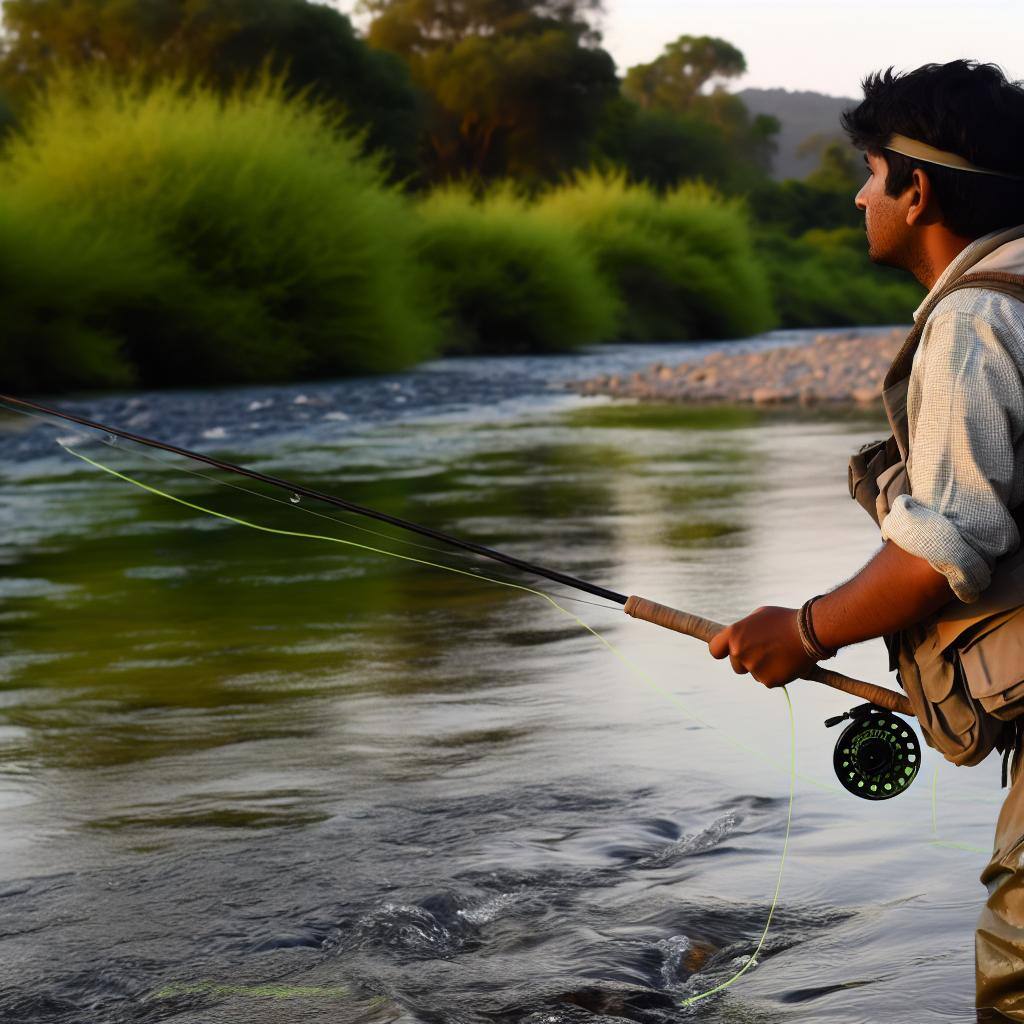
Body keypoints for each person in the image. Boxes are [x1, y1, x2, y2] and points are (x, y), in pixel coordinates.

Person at [705, 60, 1024, 1020]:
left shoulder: (979, 319)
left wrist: (801, 631)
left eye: (871, 171)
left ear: (916, 189)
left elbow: (946, 546)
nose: (858, 194)